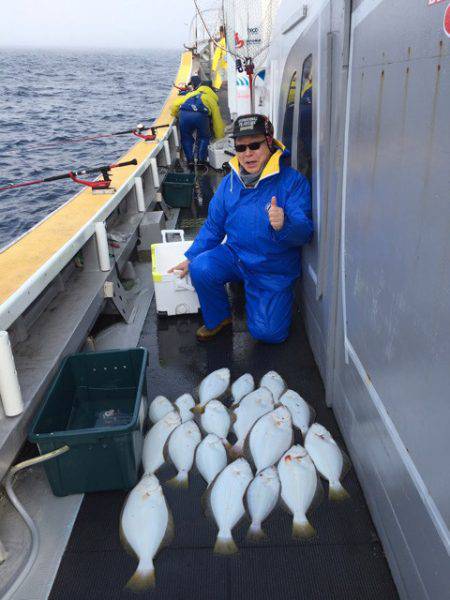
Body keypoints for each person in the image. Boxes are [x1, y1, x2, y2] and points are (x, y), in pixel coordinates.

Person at [170, 113, 313, 343]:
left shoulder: (292, 182)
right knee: (201, 267)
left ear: (269, 142)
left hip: (271, 267)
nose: (247, 154)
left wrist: (285, 224)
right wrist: (192, 256)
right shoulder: (229, 183)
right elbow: (214, 227)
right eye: (241, 147)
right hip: (236, 255)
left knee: (269, 335)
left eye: (254, 145)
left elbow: (305, 232)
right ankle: (219, 318)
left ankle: (261, 300)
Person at [170, 76, 224, 169]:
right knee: (203, 137)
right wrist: (220, 138)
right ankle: (201, 161)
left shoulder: (190, 94)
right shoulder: (211, 99)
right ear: (212, 90)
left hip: (184, 114)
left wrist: (176, 115)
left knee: (186, 138)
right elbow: (217, 121)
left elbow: (174, 105)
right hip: (200, 116)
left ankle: (190, 161)